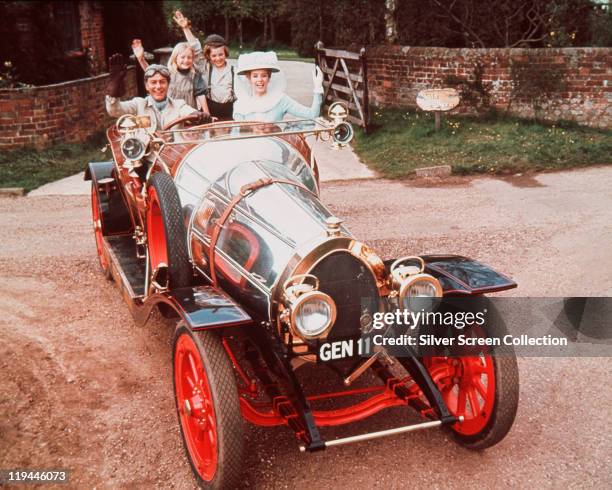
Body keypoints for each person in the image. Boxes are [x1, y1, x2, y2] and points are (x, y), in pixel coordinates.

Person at [105, 53, 209, 133]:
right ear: (146, 86)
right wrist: (114, 88)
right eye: (153, 82)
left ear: (168, 84)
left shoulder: (179, 104)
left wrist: (198, 115)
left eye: (162, 82)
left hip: (174, 155)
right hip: (147, 157)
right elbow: (114, 110)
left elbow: (189, 112)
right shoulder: (138, 104)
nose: (158, 86)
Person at [131, 11, 207, 112]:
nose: (186, 60)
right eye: (182, 57)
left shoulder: (194, 74)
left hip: (189, 113)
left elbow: (197, 50)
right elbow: (150, 71)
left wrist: (186, 28)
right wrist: (141, 59)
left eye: (189, 57)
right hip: (170, 113)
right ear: (175, 58)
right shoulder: (168, 73)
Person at [233, 51, 324, 122]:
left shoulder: (280, 100)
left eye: (264, 75)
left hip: (274, 145)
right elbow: (237, 135)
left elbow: (312, 115)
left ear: (269, 77)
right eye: (255, 76)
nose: (260, 80)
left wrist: (318, 89)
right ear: (249, 78)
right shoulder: (241, 104)